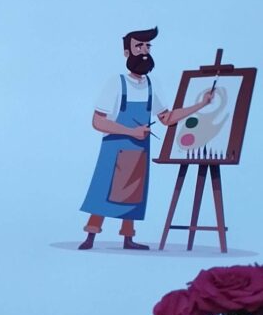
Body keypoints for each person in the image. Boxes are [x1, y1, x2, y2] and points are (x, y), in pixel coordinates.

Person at [78, 26, 214, 250]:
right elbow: (98, 122)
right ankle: (90, 236)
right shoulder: (116, 82)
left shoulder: (152, 85)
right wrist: (132, 131)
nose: (144, 51)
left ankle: (128, 238)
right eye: (138, 46)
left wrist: (201, 104)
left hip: (140, 150)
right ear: (126, 52)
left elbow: (167, 118)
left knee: (133, 193)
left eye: (147, 46)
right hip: (114, 148)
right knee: (103, 191)